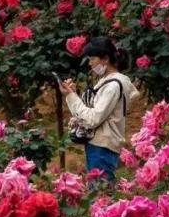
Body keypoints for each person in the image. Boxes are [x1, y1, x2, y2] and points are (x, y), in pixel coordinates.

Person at [59, 37, 140, 183]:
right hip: (99, 145)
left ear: (105, 59)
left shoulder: (112, 86)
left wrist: (71, 96)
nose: (90, 64)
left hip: (102, 147)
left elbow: (92, 119)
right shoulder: (109, 82)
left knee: (101, 195)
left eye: (92, 59)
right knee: (100, 193)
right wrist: (73, 94)